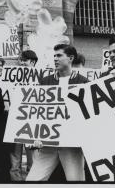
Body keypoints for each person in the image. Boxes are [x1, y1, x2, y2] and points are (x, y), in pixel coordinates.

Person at [26, 44, 88, 181]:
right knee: (32, 180)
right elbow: (36, 111)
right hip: (48, 143)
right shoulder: (44, 82)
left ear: (71, 58)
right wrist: (34, 136)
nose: (55, 58)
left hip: (71, 145)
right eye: (54, 56)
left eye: (59, 55)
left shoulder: (83, 83)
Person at [10, 50, 38, 181]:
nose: (21, 63)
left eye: (24, 60)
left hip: (32, 122)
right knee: (15, 157)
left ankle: (31, 180)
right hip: (16, 120)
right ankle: (16, 181)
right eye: (20, 60)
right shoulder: (12, 78)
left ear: (32, 62)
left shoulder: (40, 78)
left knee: (32, 157)